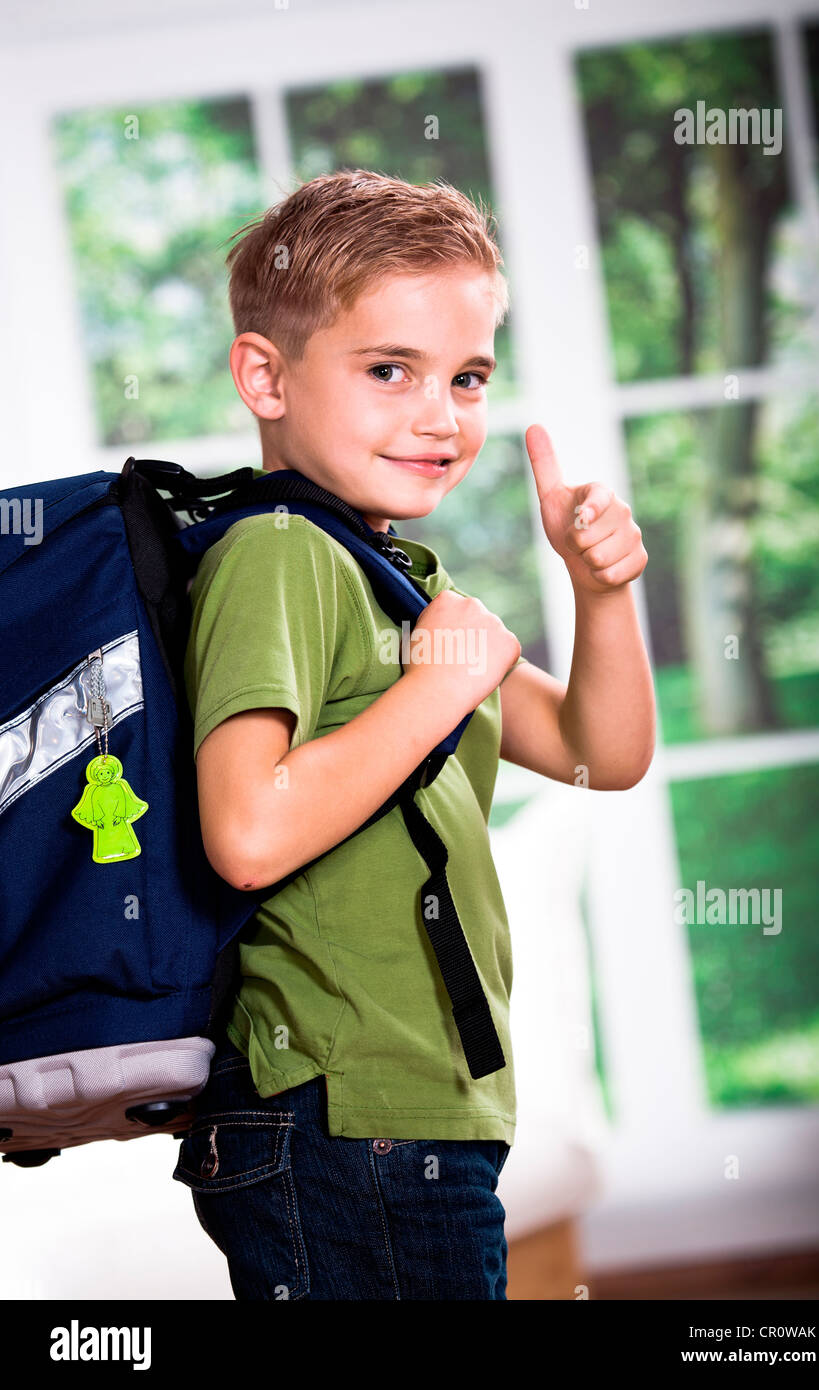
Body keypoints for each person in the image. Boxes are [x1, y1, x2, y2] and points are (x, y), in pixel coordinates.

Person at [174, 168, 655, 1300]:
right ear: (265, 375)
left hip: (405, 1112)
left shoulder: (382, 575)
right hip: (347, 1115)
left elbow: (603, 751)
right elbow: (245, 829)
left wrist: (598, 590)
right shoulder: (279, 551)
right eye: (389, 370)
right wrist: (437, 689)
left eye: (467, 377)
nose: (439, 415)